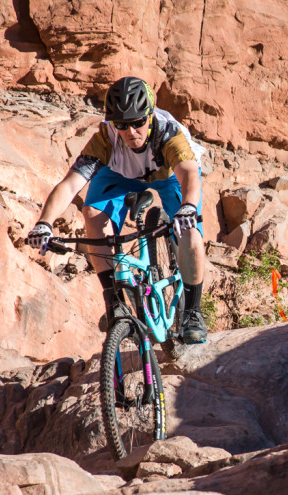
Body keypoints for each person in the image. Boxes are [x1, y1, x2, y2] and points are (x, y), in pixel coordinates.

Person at [26, 76, 208, 343]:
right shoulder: (106, 138)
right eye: (122, 125)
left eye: (138, 123)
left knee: (190, 232)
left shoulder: (168, 132)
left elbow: (189, 173)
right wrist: (45, 223)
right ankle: (114, 302)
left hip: (168, 174)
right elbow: (69, 185)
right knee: (92, 215)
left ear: (149, 116)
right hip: (119, 174)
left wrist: (188, 207)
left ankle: (193, 311)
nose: (131, 131)